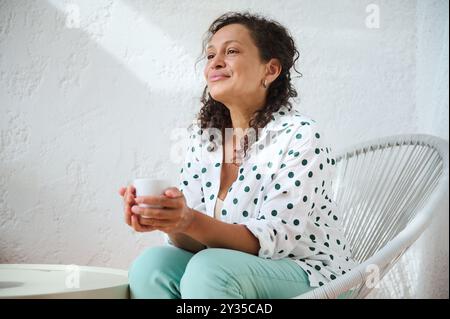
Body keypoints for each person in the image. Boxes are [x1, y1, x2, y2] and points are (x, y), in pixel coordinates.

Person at [119, 11, 356, 299]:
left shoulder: (299, 134)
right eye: (210, 55)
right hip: (232, 269)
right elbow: (196, 240)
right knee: (151, 265)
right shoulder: (205, 138)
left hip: (313, 277)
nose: (215, 62)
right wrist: (170, 221)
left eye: (231, 51)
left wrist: (189, 220)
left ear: (270, 70)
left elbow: (274, 240)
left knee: (211, 269)